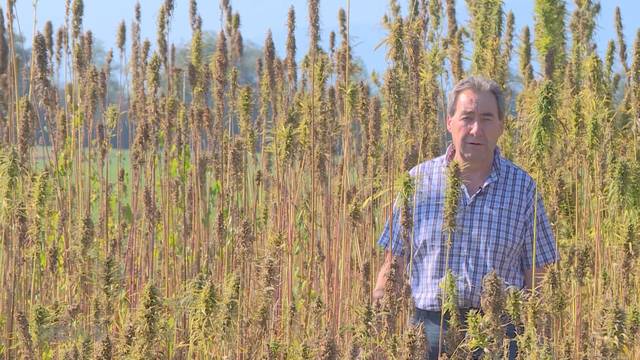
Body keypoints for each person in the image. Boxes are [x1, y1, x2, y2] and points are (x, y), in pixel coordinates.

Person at [372, 76, 558, 359]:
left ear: (501, 126)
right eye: (467, 117)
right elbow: (394, 262)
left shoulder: (523, 189)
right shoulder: (418, 181)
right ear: (449, 123)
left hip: (498, 332)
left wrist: (538, 340)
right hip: (428, 332)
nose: (475, 129)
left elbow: (539, 274)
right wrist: (379, 319)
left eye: (486, 118)